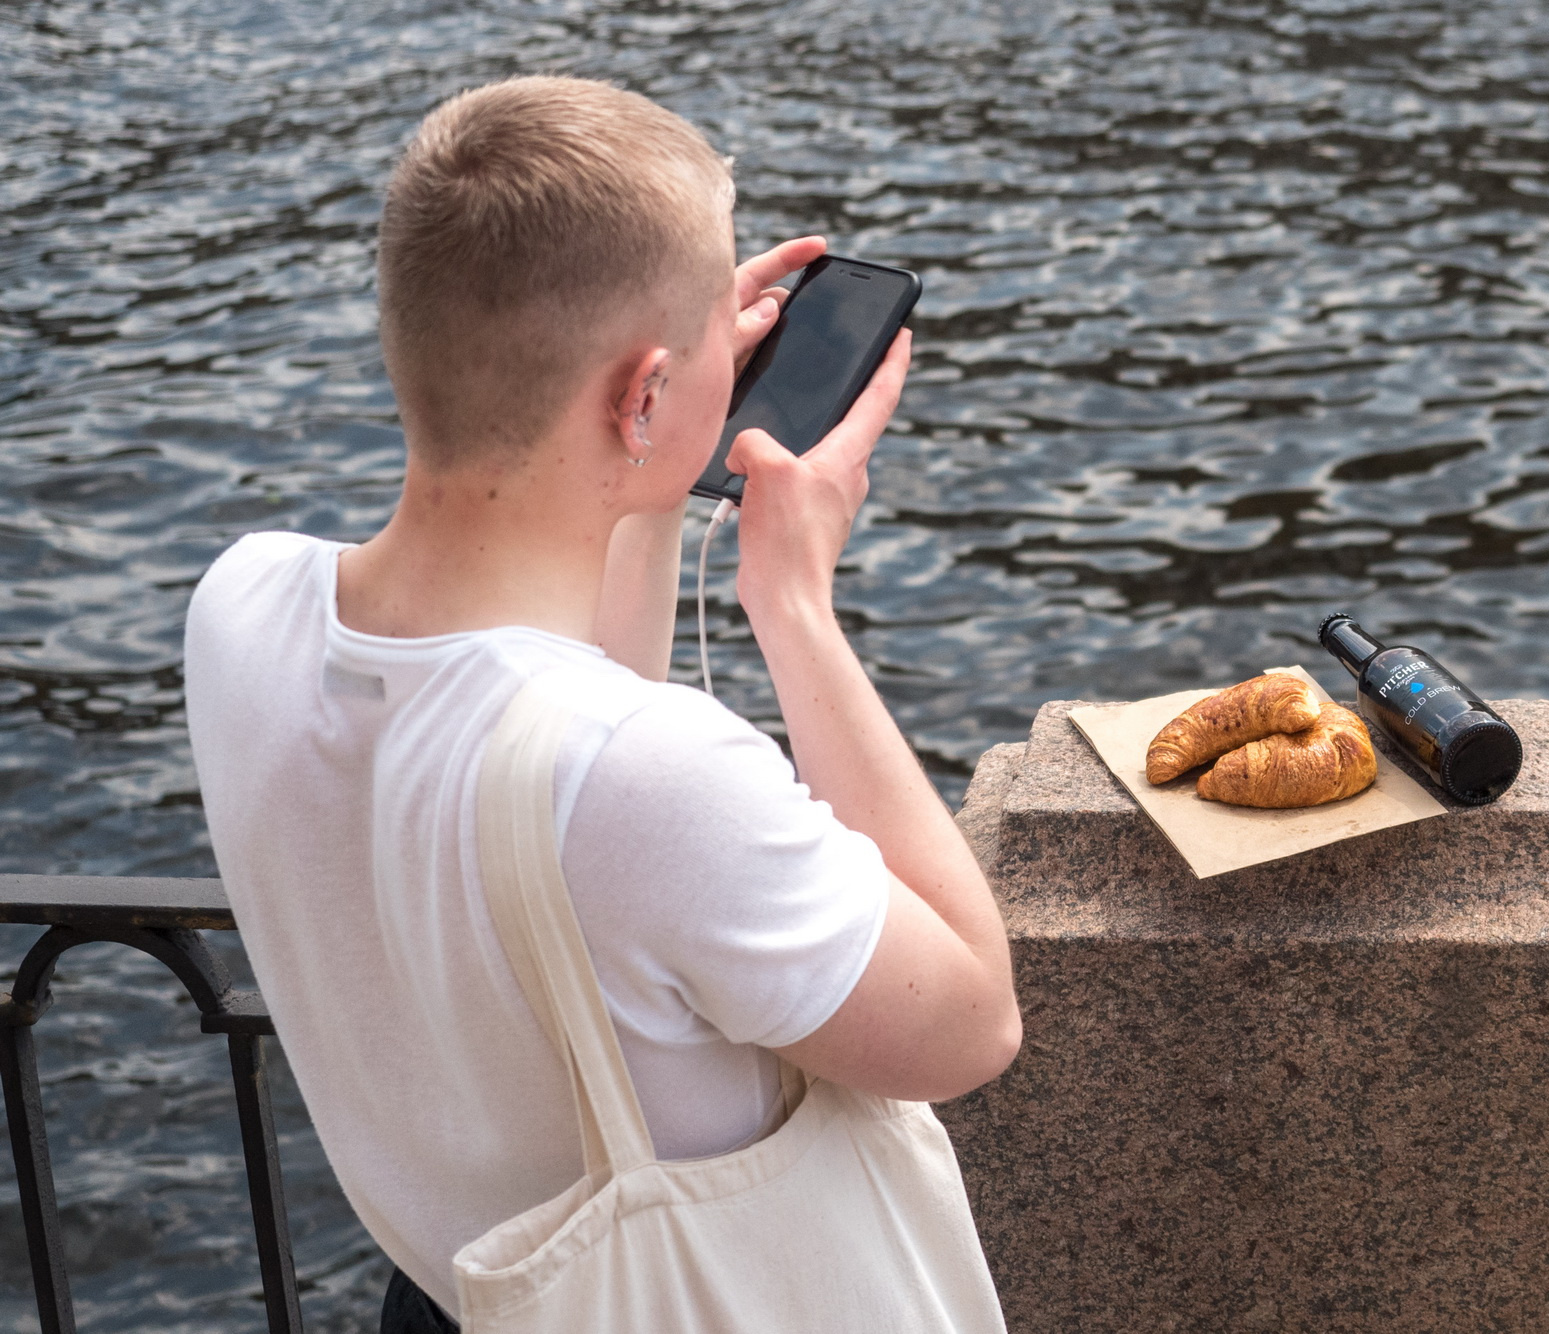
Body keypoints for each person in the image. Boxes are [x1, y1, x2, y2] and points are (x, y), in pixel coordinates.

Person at [182, 76, 1020, 1331]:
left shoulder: (239, 608)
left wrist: (655, 454)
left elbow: (555, 730)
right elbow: (969, 1021)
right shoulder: (643, 775)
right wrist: (791, 603)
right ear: (639, 395)